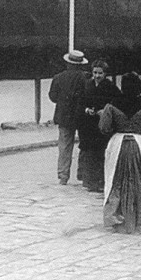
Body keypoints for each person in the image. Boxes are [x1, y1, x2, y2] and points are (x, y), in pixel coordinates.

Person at [99, 72, 141, 233]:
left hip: (118, 143)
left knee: (117, 179)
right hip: (138, 144)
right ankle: (140, 216)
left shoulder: (112, 105)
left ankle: (117, 215)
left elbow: (104, 127)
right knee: (140, 178)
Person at [47, 50, 89, 185]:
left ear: (67, 63)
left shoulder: (58, 77)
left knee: (64, 146)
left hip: (64, 115)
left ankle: (63, 175)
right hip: (81, 115)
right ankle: (82, 173)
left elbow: (53, 97)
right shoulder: (85, 77)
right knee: (84, 144)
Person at [76, 60, 118, 193]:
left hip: (102, 124)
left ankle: (101, 181)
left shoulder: (111, 87)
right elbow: (80, 102)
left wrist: (105, 111)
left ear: (105, 74)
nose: (97, 76)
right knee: (89, 152)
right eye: (95, 72)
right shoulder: (87, 85)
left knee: (101, 152)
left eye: (100, 73)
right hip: (88, 124)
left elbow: (116, 103)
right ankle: (89, 181)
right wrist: (86, 109)